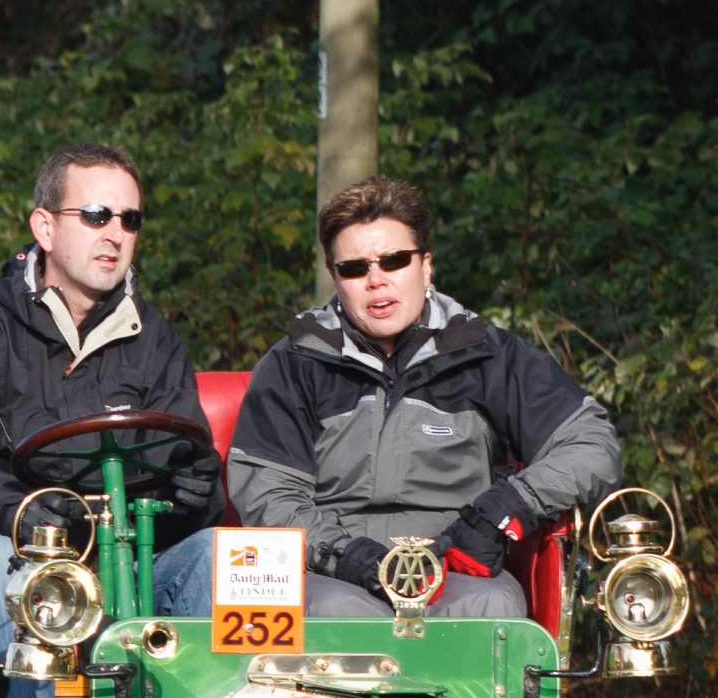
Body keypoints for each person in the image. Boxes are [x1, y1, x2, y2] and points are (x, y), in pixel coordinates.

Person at [0, 142, 221, 698]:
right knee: (2, 557)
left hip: (124, 566)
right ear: (44, 227)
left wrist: (196, 493)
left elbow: (187, 472)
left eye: (131, 220)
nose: (116, 234)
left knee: (215, 554)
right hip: (11, 562)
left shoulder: (156, 340)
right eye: (97, 216)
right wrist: (26, 514)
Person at [211, 175, 619, 619]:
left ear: (425, 266)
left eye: (394, 261)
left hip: (458, 562)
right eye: (354, 268)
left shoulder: (488, 355)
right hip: (333, 571)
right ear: (335, 277)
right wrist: (347, 556)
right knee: (336, 617)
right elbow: (271, 494)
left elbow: (592, 446)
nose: (376, 280)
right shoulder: (295, 363)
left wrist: (505, 508)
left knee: (492, 607)